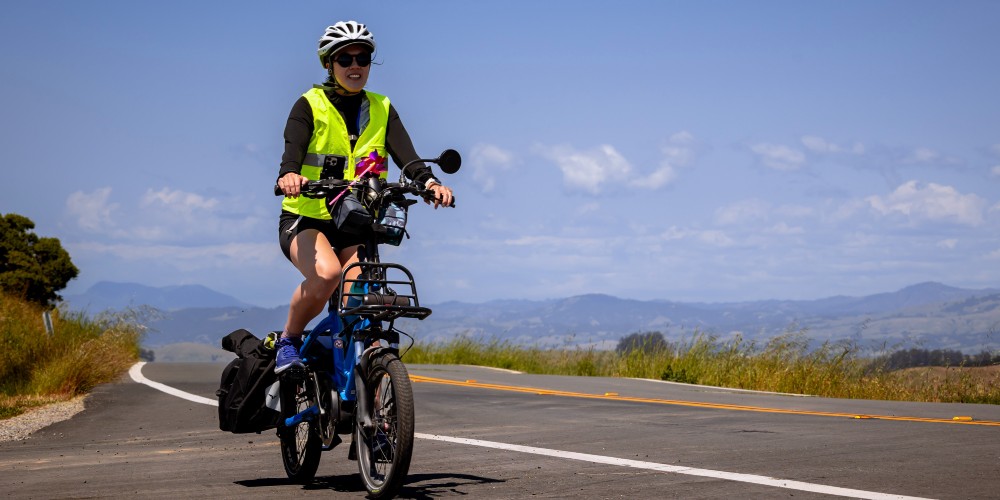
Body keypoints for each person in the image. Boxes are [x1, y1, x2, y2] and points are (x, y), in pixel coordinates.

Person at [274, 20, 454, 373]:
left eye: (363, 58)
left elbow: (409, 156)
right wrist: (290, 176)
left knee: (362, 299)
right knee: (327, 277)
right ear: (329, 64)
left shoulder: (382, 107)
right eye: (345, 59)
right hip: (307, 217)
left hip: (357, 221)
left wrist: (430, 182)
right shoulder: (309, 105)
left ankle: (360, 382)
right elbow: (291, 154)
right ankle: (289, 341)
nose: (355, 66)